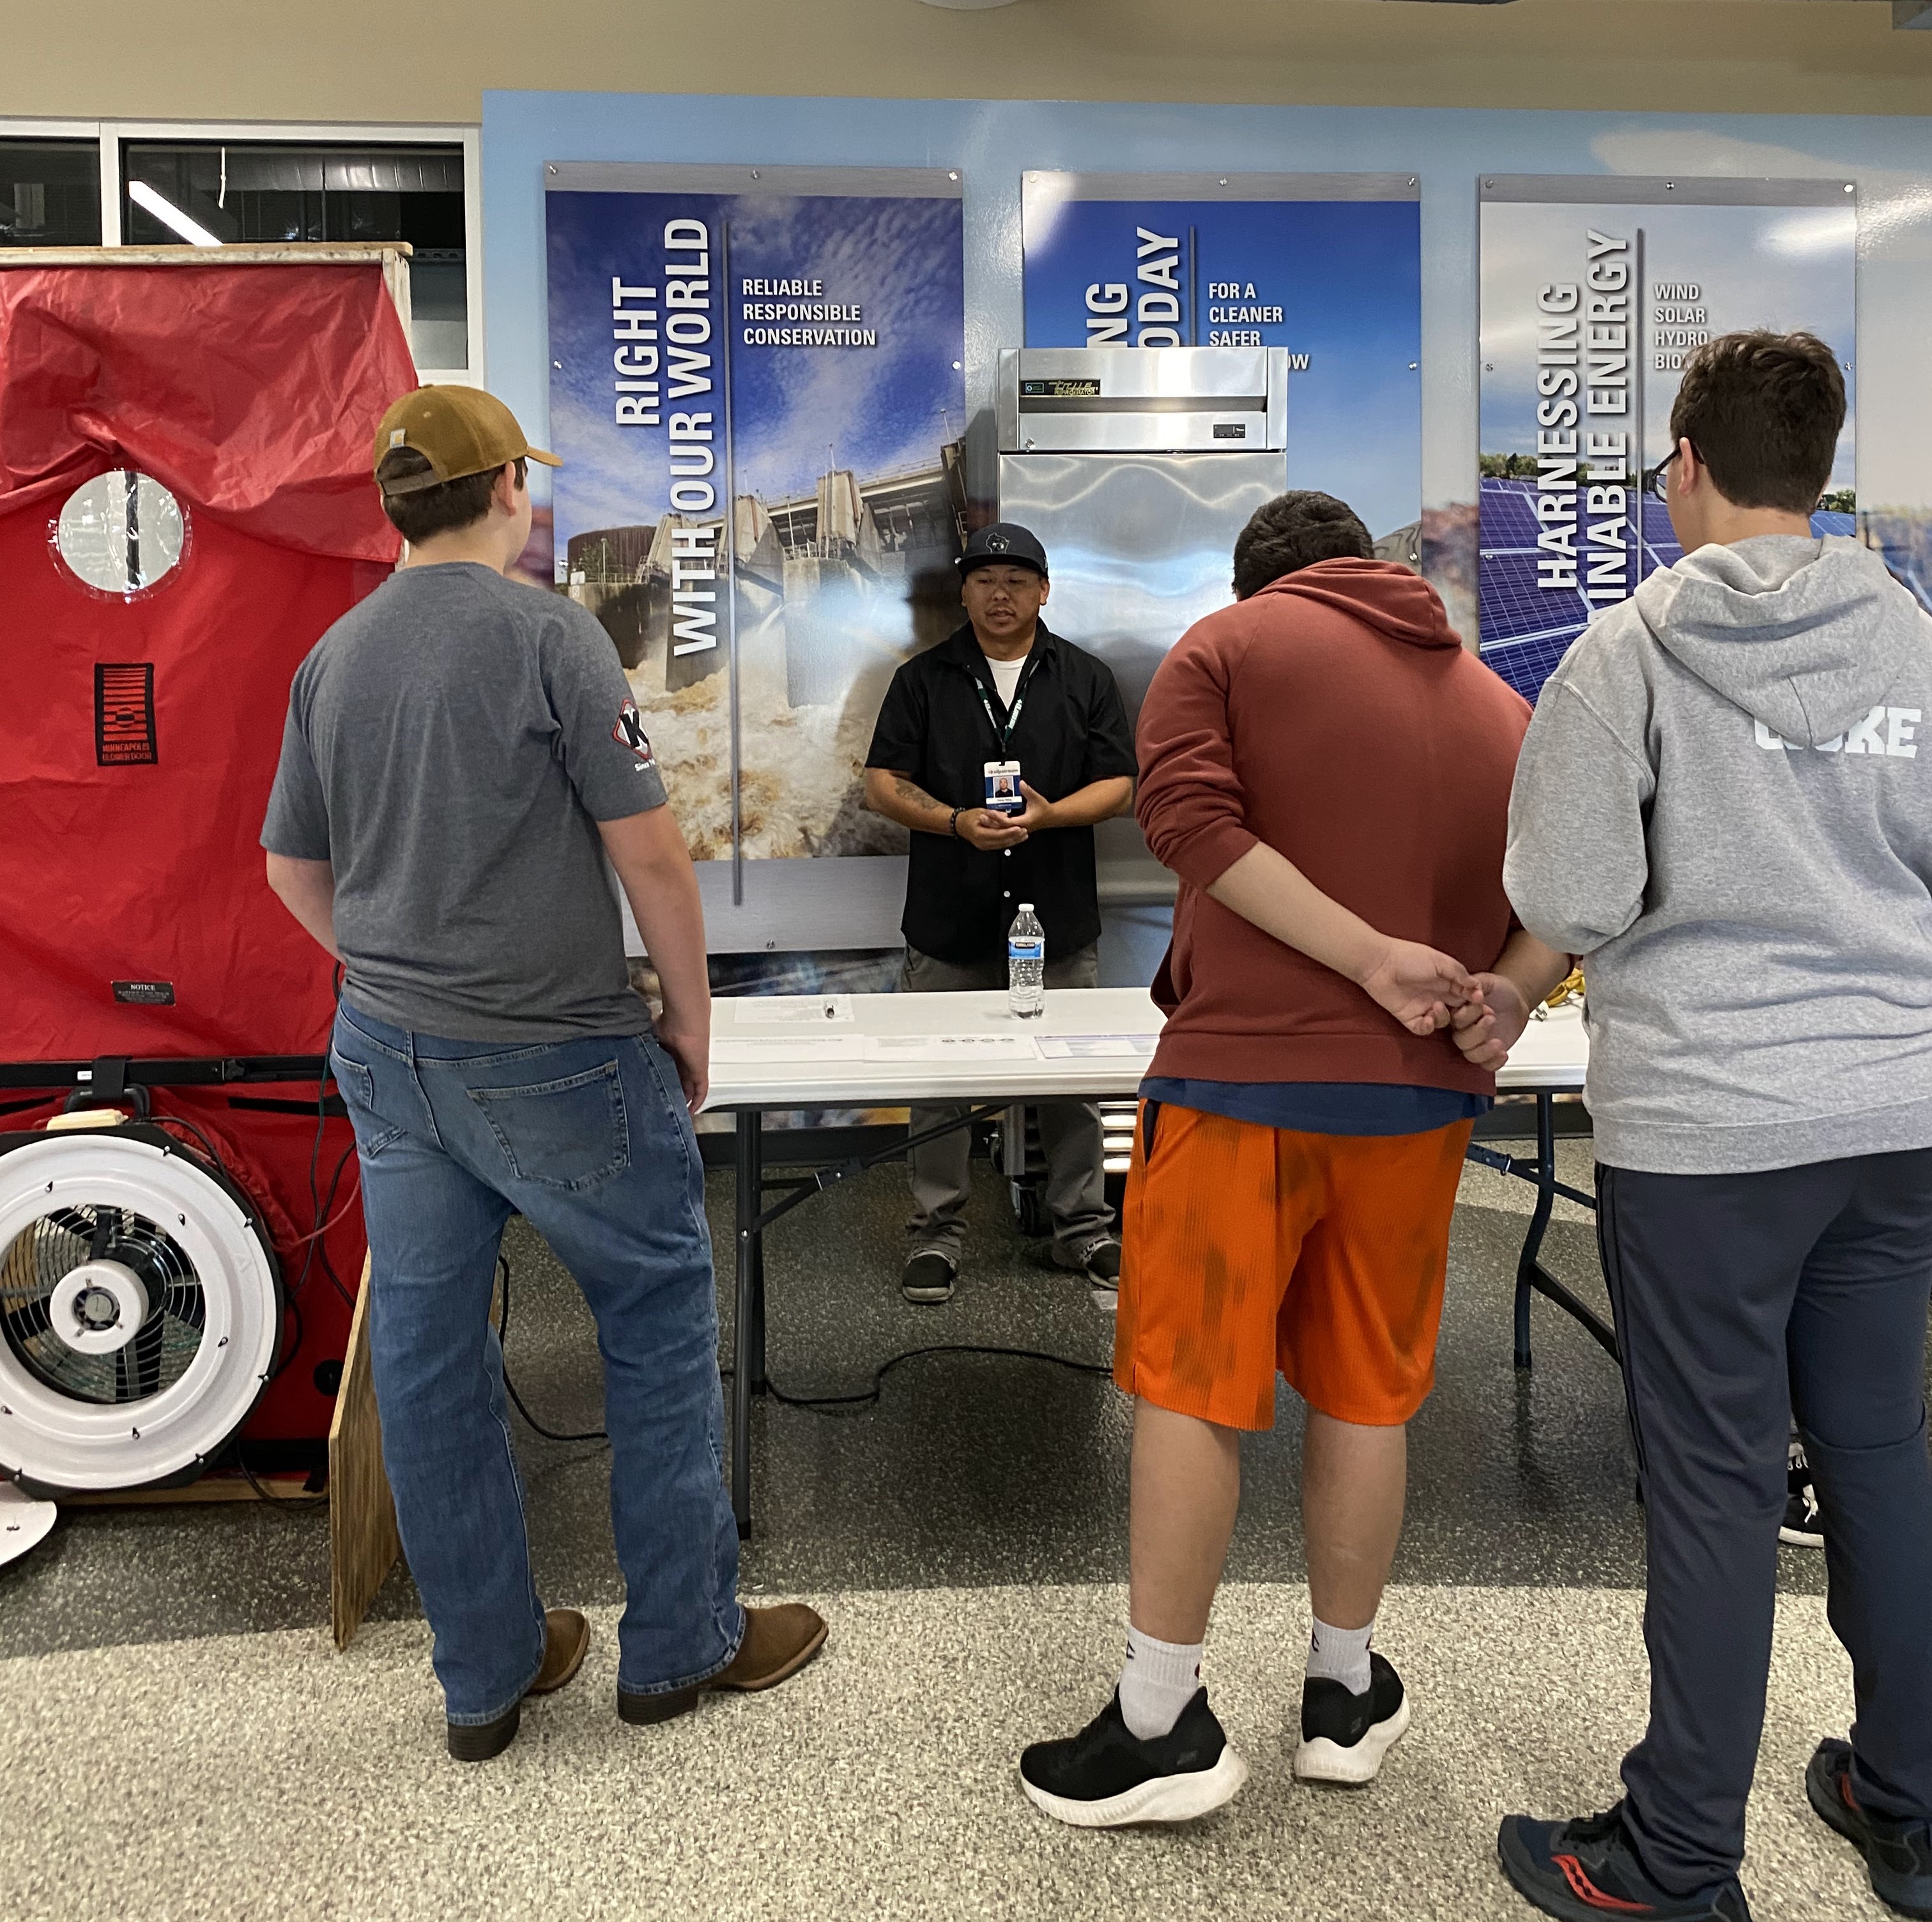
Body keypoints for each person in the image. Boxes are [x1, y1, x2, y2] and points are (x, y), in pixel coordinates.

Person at [261, 385, 825, 1762]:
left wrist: (397, 970)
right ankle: (681, 1642)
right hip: (558, 1055)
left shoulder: (331, 658)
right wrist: (694, 1021)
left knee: (431, 1354)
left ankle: (488, 1675)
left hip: (389, 1060)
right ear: (509, 484)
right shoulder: (547, 634)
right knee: (651, 1315)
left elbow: (292, 870)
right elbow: (650, 856)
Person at [1017, 491, 1568, 1826]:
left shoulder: (1228, 647)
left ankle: (1161, 1724)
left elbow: (1189, 825)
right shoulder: (1506, 706)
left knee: (1195, 1387)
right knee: (1368, 1393)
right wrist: (1501, 990)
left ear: (1260, 578)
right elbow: (1568, 888)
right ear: (1370, 570)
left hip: (1246, 1081)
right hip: (1422, 1103)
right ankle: (1342, 1689)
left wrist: (1367, 958)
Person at [1498, 332, 1932, 1922]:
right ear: (1818, 467)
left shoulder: (1626, 652)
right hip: (1897, 1114)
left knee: (1714, 1480)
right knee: (1881, 1448)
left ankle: (1680, 1854)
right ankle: (1912, 1800)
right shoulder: (1915, 639)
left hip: (1711, 1130)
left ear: (1685, 458)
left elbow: (1573, 895)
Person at [864, 522, 1138, 1307]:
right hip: (951, 916)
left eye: (1018, 578)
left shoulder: (1084, 676)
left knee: (1073, 1080)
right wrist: (955, 821)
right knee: (941, 1080)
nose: (1001, 591)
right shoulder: (922, 679)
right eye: (984, 578)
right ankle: (936, 1233)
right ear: (964, 591)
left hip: (1056, 913)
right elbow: (882, 781)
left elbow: (1118, 784)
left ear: (1045, 590)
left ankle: (1082, 1228)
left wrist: (1049, 818)